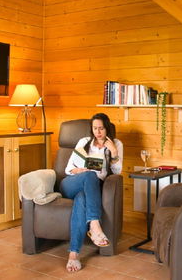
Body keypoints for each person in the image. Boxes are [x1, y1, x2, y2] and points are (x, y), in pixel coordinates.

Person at [60, 113, 123, 272]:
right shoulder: (84, 142)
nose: (98, 132)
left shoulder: (116, 144)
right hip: (71, 183)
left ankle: (73, 254)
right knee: (89, 174)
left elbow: (117, 171)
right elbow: (68, 169)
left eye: (101, 128)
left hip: (90, 189)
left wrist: (114, 153)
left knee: (81, 199)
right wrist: (80, 170)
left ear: (107, 128)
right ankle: (95, 225)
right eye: (95, 128)